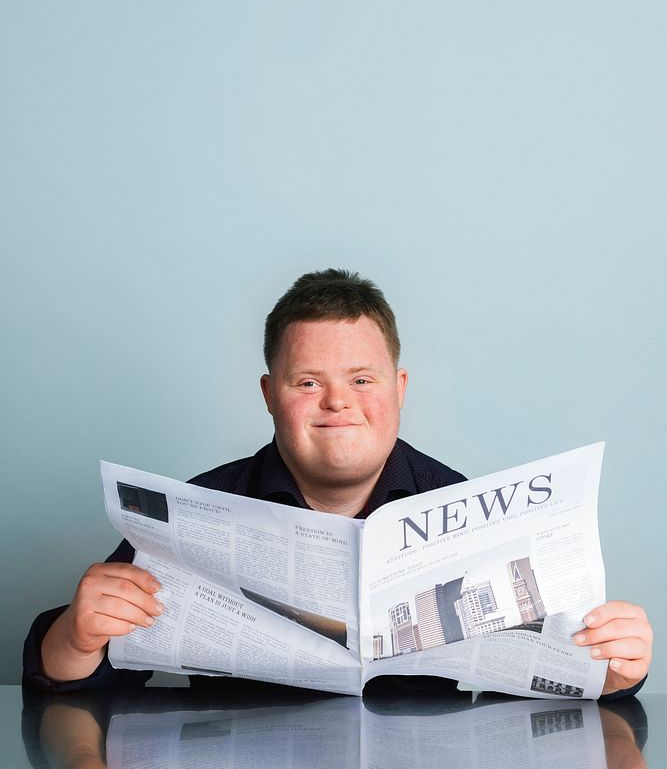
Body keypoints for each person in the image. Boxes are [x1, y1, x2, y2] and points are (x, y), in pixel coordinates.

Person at [24, 269, 653, 697]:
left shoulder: (470, 511)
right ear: (271, 395)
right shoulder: (193, 514)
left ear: (399, 391)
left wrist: (617, 673)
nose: (337, 403)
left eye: (362, 379)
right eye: (307, 382)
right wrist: (74, 639)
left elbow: (557, 686)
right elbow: (66, 682)